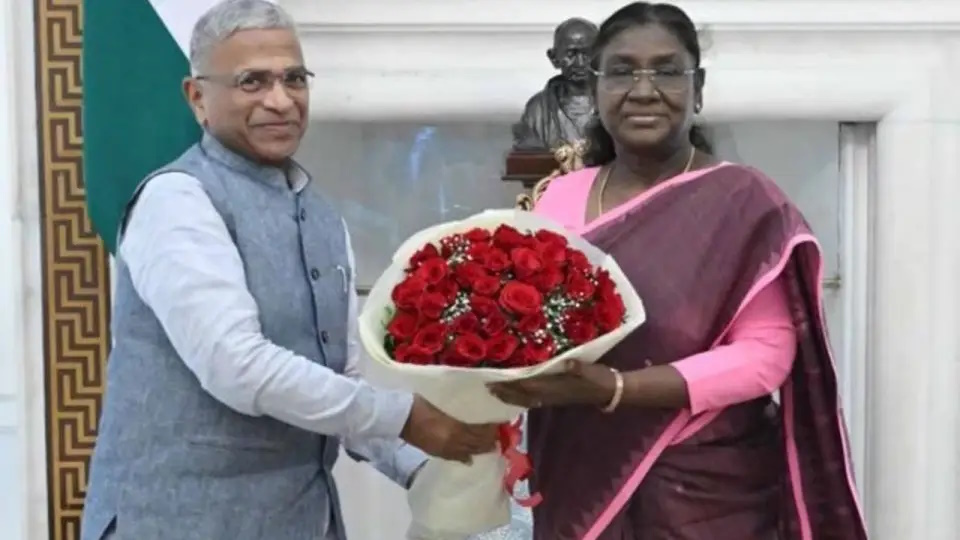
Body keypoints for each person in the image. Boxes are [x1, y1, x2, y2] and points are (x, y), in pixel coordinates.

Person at [80, 1, 496, 539]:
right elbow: (237, 366)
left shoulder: (320, 215)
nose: (280, 100)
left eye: (294, 78)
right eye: (252, 81)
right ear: (197, 97)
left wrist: (438, 468)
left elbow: (340, 383)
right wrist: (406, 415)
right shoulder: (177, 200)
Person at [488, 3, 867, 539]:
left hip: (709, 490)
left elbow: (765, 355)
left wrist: (616, 388)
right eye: (621, 71)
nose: (643, 90)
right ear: (595, 87)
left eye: (666, 71)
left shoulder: (742, 200)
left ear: (698, 88)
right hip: (577, 471)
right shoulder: (558, 197)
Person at [511, 18, 599, 152]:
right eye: (571, 54)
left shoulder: (616, 101)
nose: (580, 63)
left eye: (587, 54)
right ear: (554, 58)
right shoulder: (538, 109)